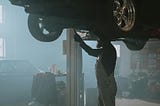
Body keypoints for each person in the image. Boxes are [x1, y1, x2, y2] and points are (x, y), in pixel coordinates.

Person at [74, 33, 117, 106]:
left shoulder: (108, 51)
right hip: (104, 85)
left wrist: (81, 41)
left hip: (107, 85)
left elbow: (91, 52)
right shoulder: (106, 50)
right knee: (101, 103)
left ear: (104, 40)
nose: (97, 41)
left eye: (99, 40)